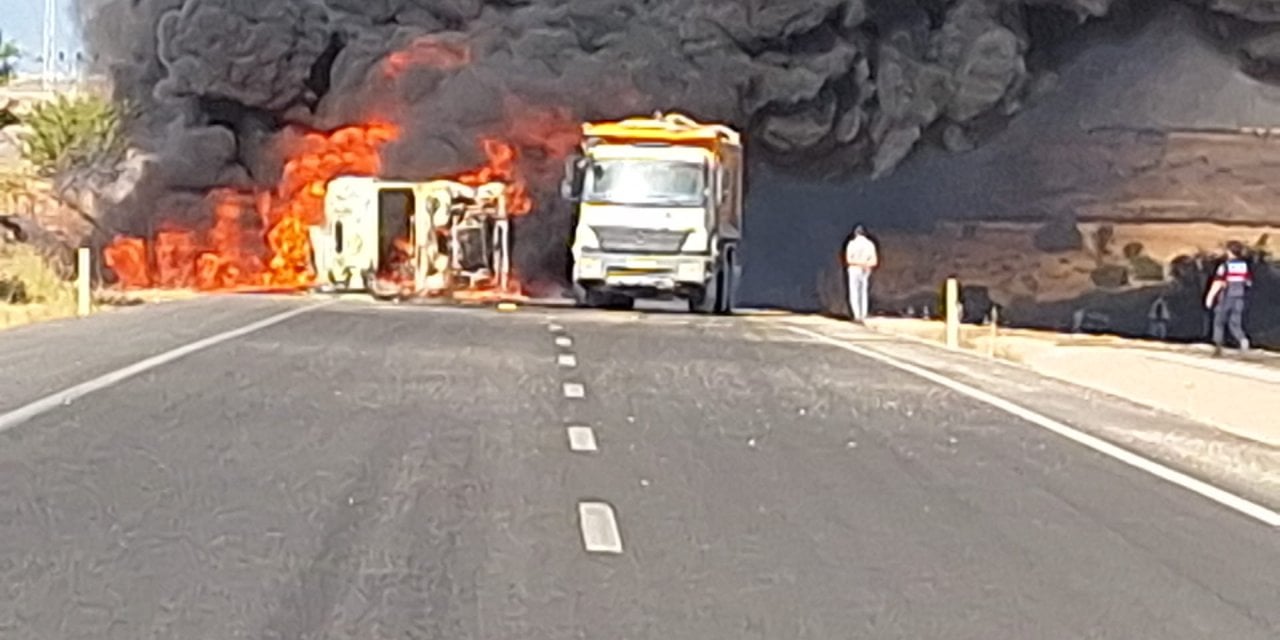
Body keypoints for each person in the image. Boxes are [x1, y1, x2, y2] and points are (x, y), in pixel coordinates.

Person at [1204, 241, 1252, 356]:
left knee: (1219, 321)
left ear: (1229, 252)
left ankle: (1218, 347)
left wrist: (1210, 297)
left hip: (1226, 297)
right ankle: (1243, 340)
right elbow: (1248, 283)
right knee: (1235, 323)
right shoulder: (1244, 266)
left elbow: (1218, 282)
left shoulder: (1224, 266)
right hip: (1240, 297)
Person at [844, 225, 878, 323]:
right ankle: (863, 314)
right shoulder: (870, 244)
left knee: (854, 292)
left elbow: (848, 259)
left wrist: (858, 263)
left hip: (854, 269)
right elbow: (874, 261)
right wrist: (865, 264)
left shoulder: (852, 244)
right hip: (866, 268)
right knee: (863, 292)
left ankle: (856, 315)